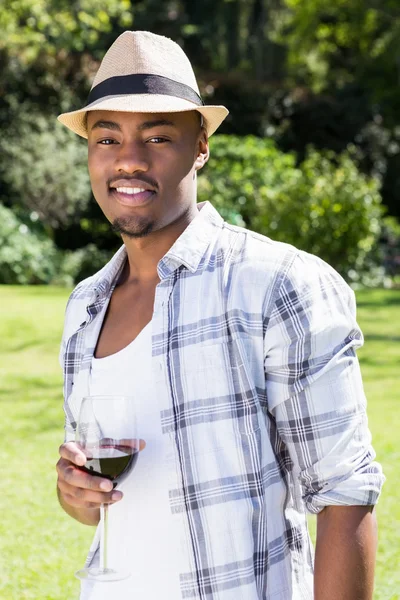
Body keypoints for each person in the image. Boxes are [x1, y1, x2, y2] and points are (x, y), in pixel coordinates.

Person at [56, 30, 384, 600]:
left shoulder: (279, 285)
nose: (129, 160)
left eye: (158, 136)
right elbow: (97, 502)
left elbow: (344, 496)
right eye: (107, 138)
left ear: (201, 145)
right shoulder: (85, 306)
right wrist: (74, 493)